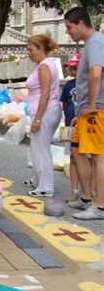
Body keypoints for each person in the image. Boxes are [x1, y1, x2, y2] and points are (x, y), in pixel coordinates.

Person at [64, 7, 104, 220]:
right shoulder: (91, 43)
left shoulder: (97, 41)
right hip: (84, 110)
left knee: (98, 156)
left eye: (69, 27)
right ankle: (86, 197)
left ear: (81, 23)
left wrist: (90, 104)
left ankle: (100, 206)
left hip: (96, 109)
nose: (68, 32)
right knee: (77, 150)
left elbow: (96, 73)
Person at [23, 34, 61, 198]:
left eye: (31, 49)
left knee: (41, 150)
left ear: (41, 48)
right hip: (45, 111)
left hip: (45, 112)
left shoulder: (44, 66)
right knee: (37, 147)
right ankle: (37, 179)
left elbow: (45, 95)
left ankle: (46, 186)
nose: (28, 53)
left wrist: (38, 119)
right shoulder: (43, 64)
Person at [60, 53, 80, 203]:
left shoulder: (90, 84)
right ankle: (74, 190)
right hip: (70, 124)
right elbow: (64, 103)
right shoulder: (68, 85)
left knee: (90, 159)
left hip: (85, 125)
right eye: (71, 69)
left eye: (76, 68)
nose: (73, 72)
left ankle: (91, 190)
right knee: (73, 157)